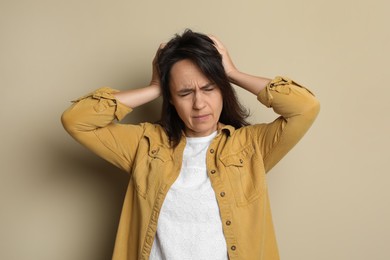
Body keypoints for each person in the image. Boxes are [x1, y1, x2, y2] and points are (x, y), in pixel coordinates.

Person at [62, 29, 320, 260]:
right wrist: (154, 87)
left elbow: (304, 107)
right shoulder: (145, 145)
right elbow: (76, 120)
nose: (199, 104)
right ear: (171, 99)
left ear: (223, 90)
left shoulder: (252, 146)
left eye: (209, 88)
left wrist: (232, 73)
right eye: (185, 93)